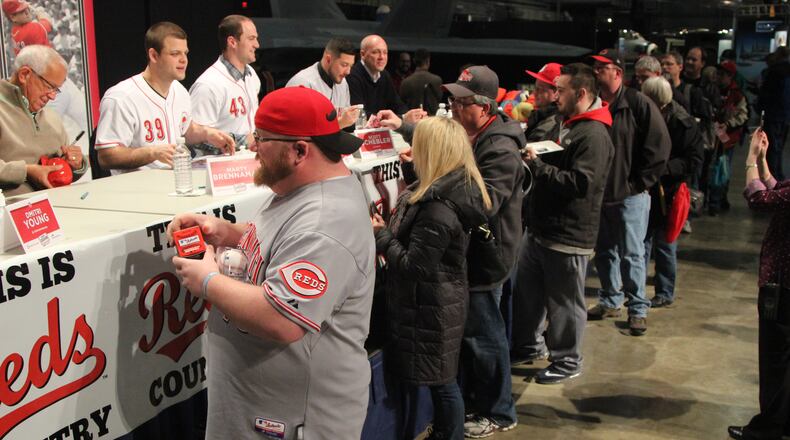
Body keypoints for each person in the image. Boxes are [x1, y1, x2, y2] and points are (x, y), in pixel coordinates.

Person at [168, 86, 373, 440]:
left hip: (294, 419)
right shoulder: (303, 187)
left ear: (299, 150)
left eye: (261, 138)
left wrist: (207, 281)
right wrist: (227, 232)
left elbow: (281, 319)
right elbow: (285, 241)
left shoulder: (326, 221)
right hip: (267, 410)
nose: (252, 146)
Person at [372, 116, 491, 440]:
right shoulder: (451, 189)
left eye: (418, 146)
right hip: (435, 303)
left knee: (442, 383)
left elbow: (415, 265)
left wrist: (382, 235)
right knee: (442, 378)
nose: (412, 150)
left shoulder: (438, 209)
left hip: (432, 307)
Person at [512, 63, 614, 383]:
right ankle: (530, 345)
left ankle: (568, 360)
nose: (555, 97)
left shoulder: (594, 134)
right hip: (542, 229)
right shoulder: (566, 121)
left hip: (568, 234)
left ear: (581, 93)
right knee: (527, 292)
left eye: (561, 91)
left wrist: (538, 166)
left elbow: (580, 184)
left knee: (565, 304)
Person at [587, 49, 671, 336]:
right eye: (595, 68)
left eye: (602, 68)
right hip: (601, 195)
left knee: (632, 254)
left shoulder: (637, 103)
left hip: (630, 196)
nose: (596, 72)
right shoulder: (594, 105)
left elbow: (659, 147)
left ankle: (637, 309)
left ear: (618, 73)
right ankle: (610, 300)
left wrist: (638, 184)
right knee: (605, 252)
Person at [95, 22, 235, 175]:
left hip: (175, 181)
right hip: (136, 190)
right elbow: (106, 156)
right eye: (175, 54)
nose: (184, 60)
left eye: (185, 53)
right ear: (154, 55)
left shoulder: (179, 91)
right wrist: (152, 153)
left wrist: (207, 133)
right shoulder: (121, 97)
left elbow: (186, 129)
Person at [728, 128, 790, 440]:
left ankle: (767, 429)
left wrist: (750, 160)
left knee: (776, 361)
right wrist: (764, 163)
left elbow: (761, 199)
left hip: (784, 285)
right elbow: (780, 190)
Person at [639, 77, 703, 308]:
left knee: (666, 244)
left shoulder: (683, 123)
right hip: (646, 188)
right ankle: (636, 291)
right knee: (641, 243)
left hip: (671, 192)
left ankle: (665, 292)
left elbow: (694, 161)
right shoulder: (645, 116)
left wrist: (662, 170)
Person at [0, 44, 86, 195]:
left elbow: (61, 173)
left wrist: (75, 164)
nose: (53, 96)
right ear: (24, 74)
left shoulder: (51, 117)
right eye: (49, 87)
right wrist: (26, 171)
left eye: (56, 90)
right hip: (10, 213)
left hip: (56, 209)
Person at [189, 15, 261, 154]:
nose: (257, 45)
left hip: (249, 162)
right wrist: (245, 141)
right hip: (217, 168)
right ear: (232, 42)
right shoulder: (208, 85)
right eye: (251, 39)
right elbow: (196, 141)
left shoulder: (252, 75)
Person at [286, 37, 360, 129]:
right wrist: (340, 123)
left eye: (351, 66)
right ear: (328, 59)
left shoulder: (342, 82)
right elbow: (299, 129)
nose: (348, 72)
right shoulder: (302, 83)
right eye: (344, 65)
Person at [709, 61, 749, 216]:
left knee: (722, 170)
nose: (718, 77)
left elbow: (743, 115)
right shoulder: (710, 90)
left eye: (722, 74)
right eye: (718, 74)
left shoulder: (737, 94)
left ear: (730, 76)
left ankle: (717, 201)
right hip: (711, 137)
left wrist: (728, 124)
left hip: (727, 140)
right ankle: (715, 199)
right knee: (712, 170)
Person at [347, 34, 408, 116]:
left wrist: (407, 115)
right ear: (362, 54)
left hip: (380, 126)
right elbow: (359, 114)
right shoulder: (352, 76)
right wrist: (388, 118)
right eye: (375, 52)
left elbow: (397, 104)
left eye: (385, 52)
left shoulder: (384, 75)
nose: (381, 57)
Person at [757, 46, 790, 181]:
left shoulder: (774, 72)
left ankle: (774, 182)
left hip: (774, 115)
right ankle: (779, 180)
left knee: (772, 151)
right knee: (778, 149)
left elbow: (767, 94)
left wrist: (759, 107)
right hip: (785, 116)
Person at [524, 62, 562, 142]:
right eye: (535, 88)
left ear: (556, 93)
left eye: (539, 89)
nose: (534, 93)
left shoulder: (552, 123)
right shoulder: (542, 115)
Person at [399, 48, 442, 115]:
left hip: (412, 122)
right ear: (428, 61)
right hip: (432, 122)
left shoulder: (405, 82)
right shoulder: (437, 80)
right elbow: (439, 99)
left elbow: (401, 104)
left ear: (414, 61)